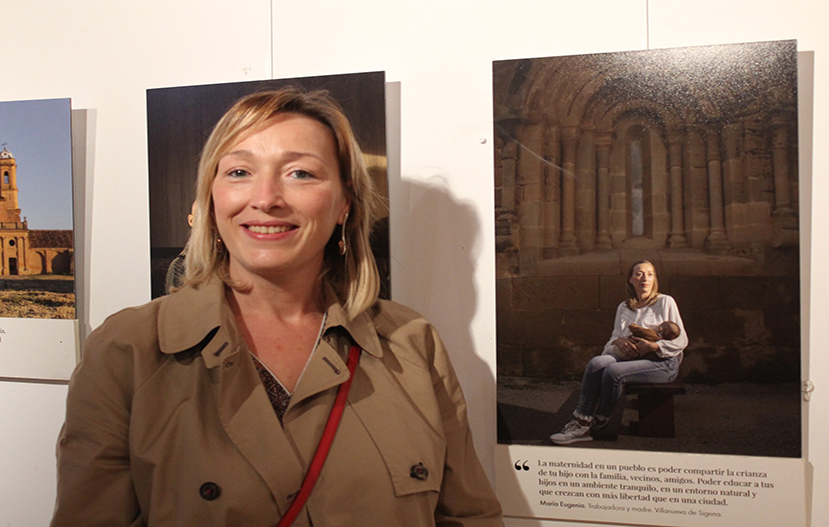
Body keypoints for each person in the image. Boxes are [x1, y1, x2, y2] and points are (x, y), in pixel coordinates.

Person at [52, 88, 503, 526]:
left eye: (300, 174)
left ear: (345, 203)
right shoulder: (127, 350)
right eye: (239, 173)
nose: (265, 198)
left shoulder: (411, 343)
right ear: (212, 198)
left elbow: (469, 516)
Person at [550, 260, 688, 445]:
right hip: (629, 358)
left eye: (649, 274)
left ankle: (600, 421)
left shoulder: (665, 302)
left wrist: (654, 346)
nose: (644, 278)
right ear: (631, 279)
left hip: (662, 362)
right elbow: (613, 338)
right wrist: (619, 340)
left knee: (613, 372)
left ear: (654, 279)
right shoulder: (624, 307)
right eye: (639, 274)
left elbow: (682, 340)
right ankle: (581, 420)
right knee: (596, 363)